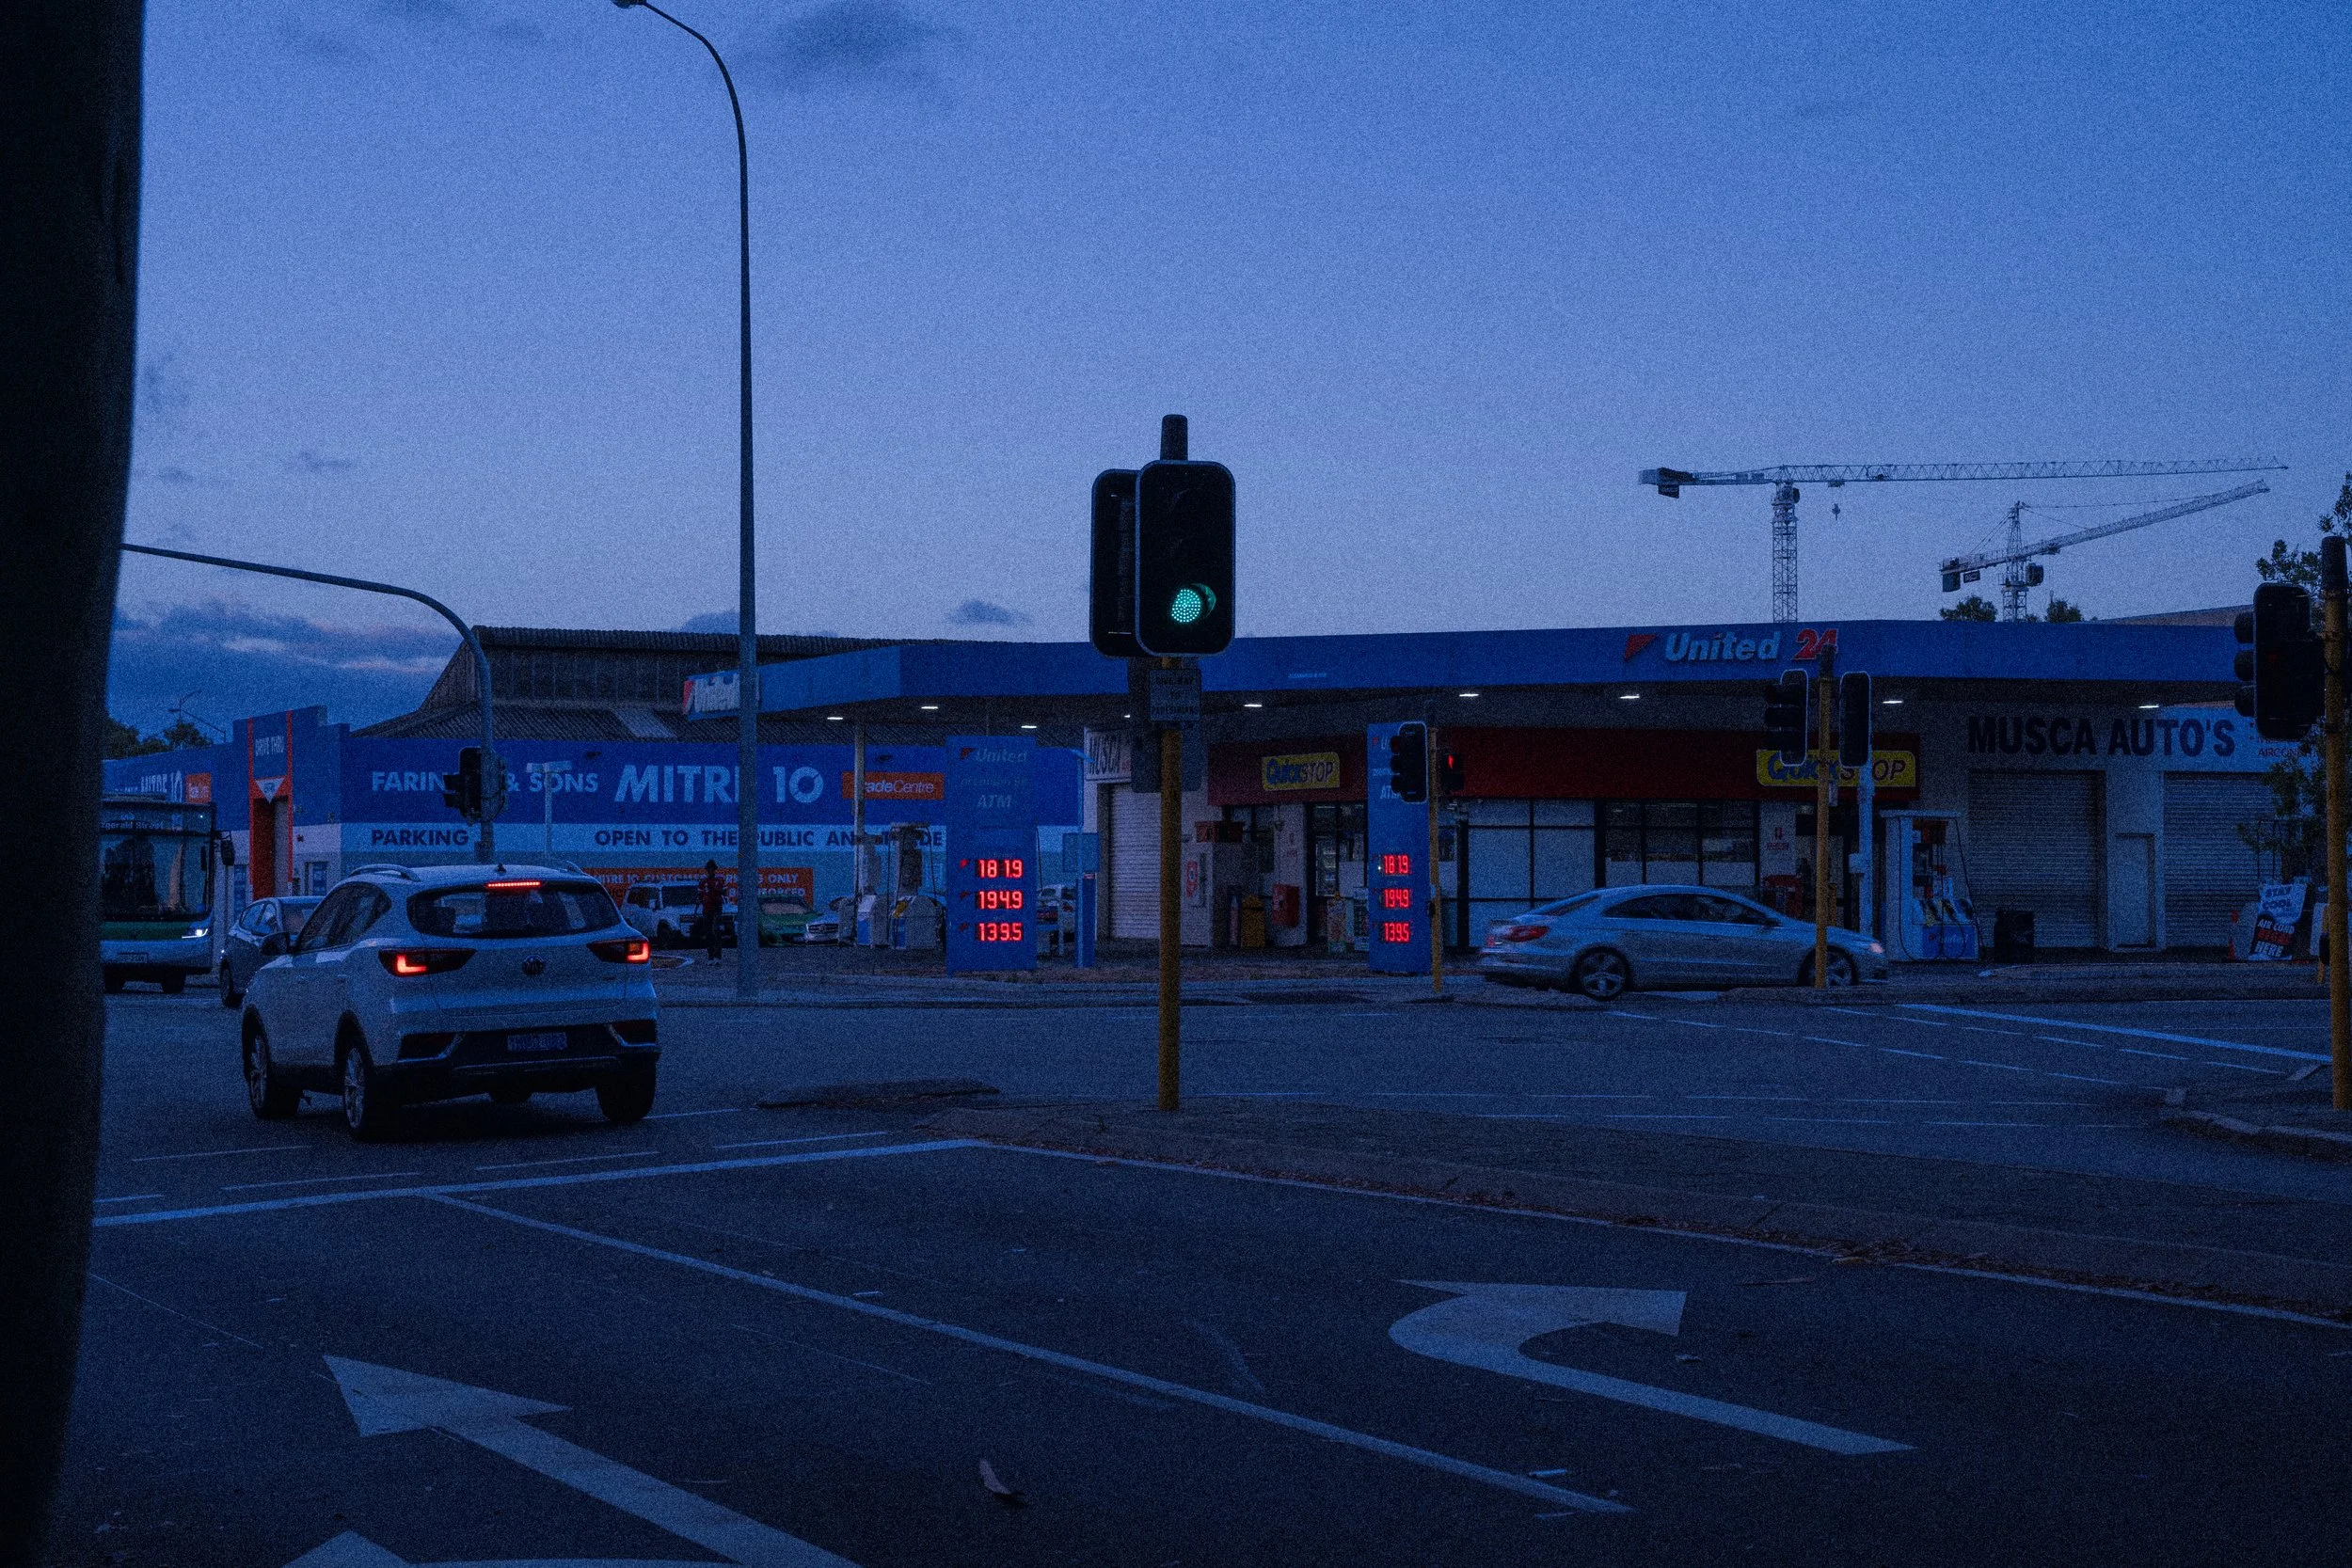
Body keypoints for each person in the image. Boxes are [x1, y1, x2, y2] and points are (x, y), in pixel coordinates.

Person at [696, 859, 727, 962]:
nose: (710, 871)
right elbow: (699, 895)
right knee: (708, 933)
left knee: (716, 931)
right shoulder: (703, 882)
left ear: (715, 870)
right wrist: (698, 904)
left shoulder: (720, 880)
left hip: (717, 908)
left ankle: (718, 956)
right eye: (709, 869)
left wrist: (716, 890)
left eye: (712, 869)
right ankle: (710, 956)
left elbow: (725, 892)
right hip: (706, 909)